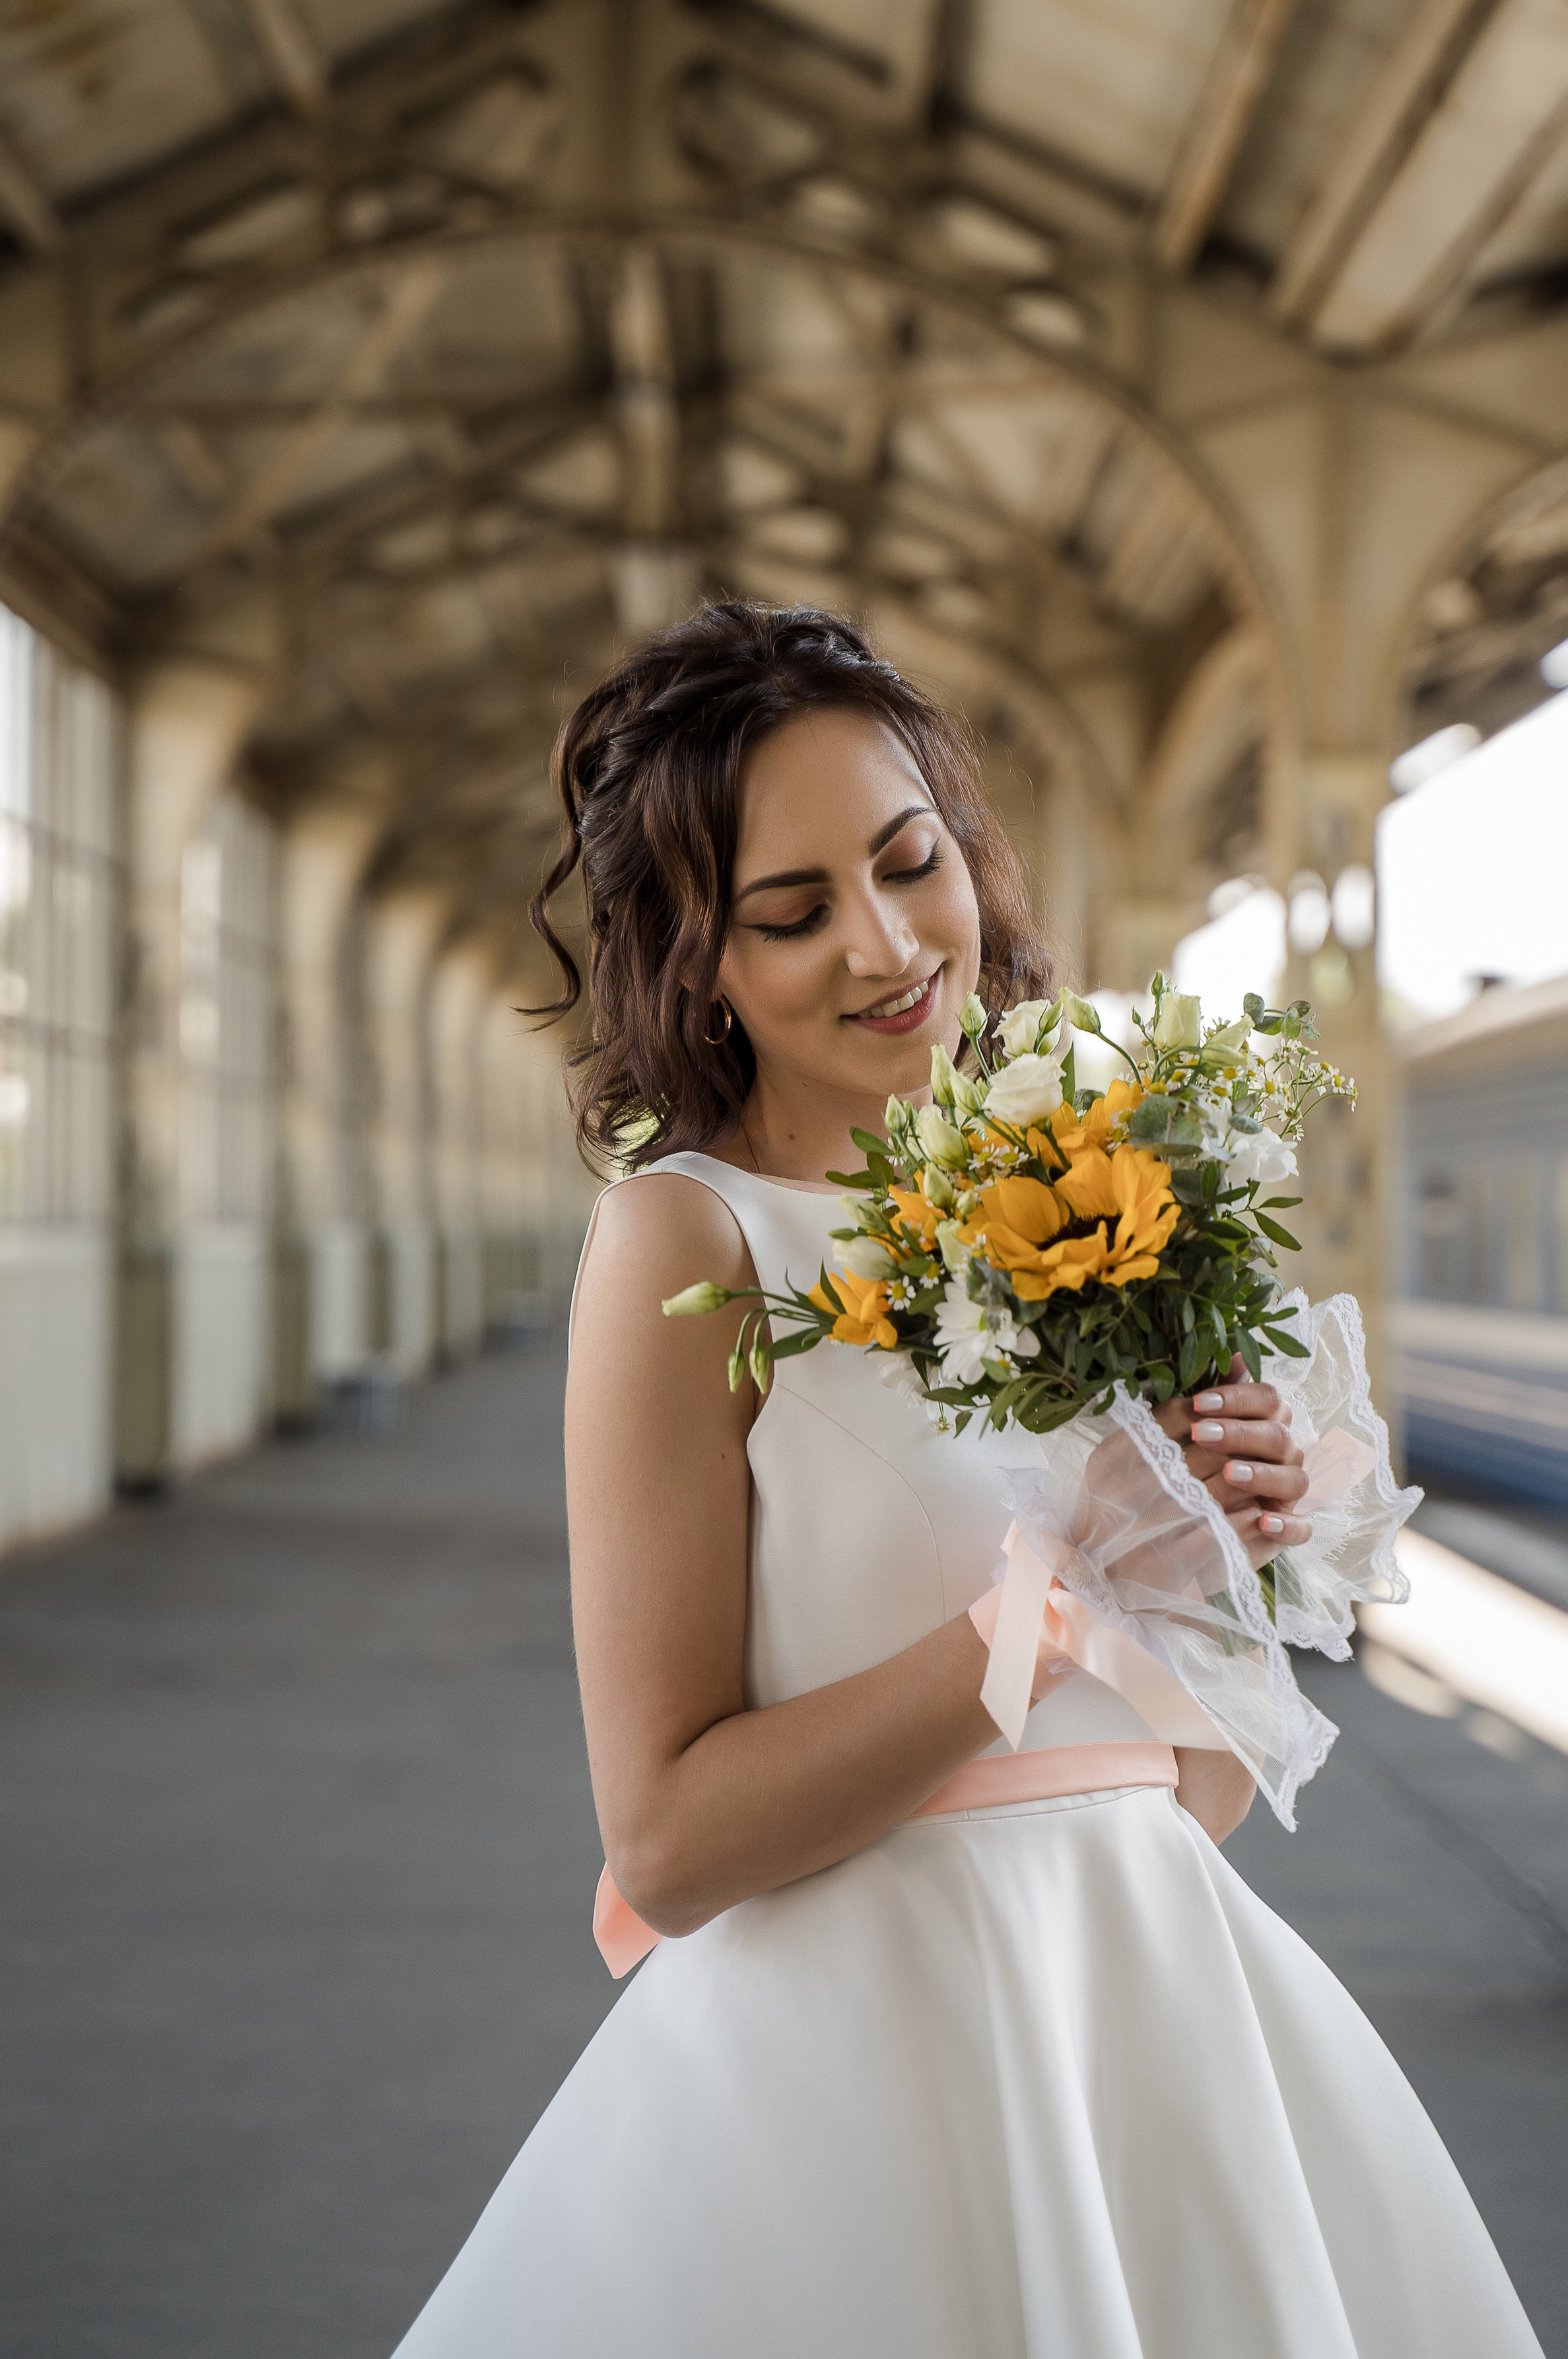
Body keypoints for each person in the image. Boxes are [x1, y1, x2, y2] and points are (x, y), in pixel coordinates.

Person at [393, 604, 1542, 2358]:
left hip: (1152, 2018)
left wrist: (1216, 1555)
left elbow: (1176, 1799)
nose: (884, 943)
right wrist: (1053, 1600)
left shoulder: (1082, 1178)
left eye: (908, 860)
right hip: (851, 2074)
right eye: (790, 913)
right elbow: (671, 1838)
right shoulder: (688, 1238)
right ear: (697, 960)